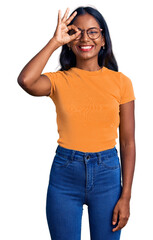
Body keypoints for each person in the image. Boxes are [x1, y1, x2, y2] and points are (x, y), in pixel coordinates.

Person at [17, 6, 136, 240]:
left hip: (107, 175)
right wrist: (54, 41)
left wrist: (126, 196)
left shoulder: (121, 82)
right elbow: (26, 80)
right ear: (69, 42)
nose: (84, 38)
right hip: (65, 175)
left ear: (104, 39)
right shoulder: (59, 80)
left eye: (93, 32)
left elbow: (129, 143)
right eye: (77, 32)